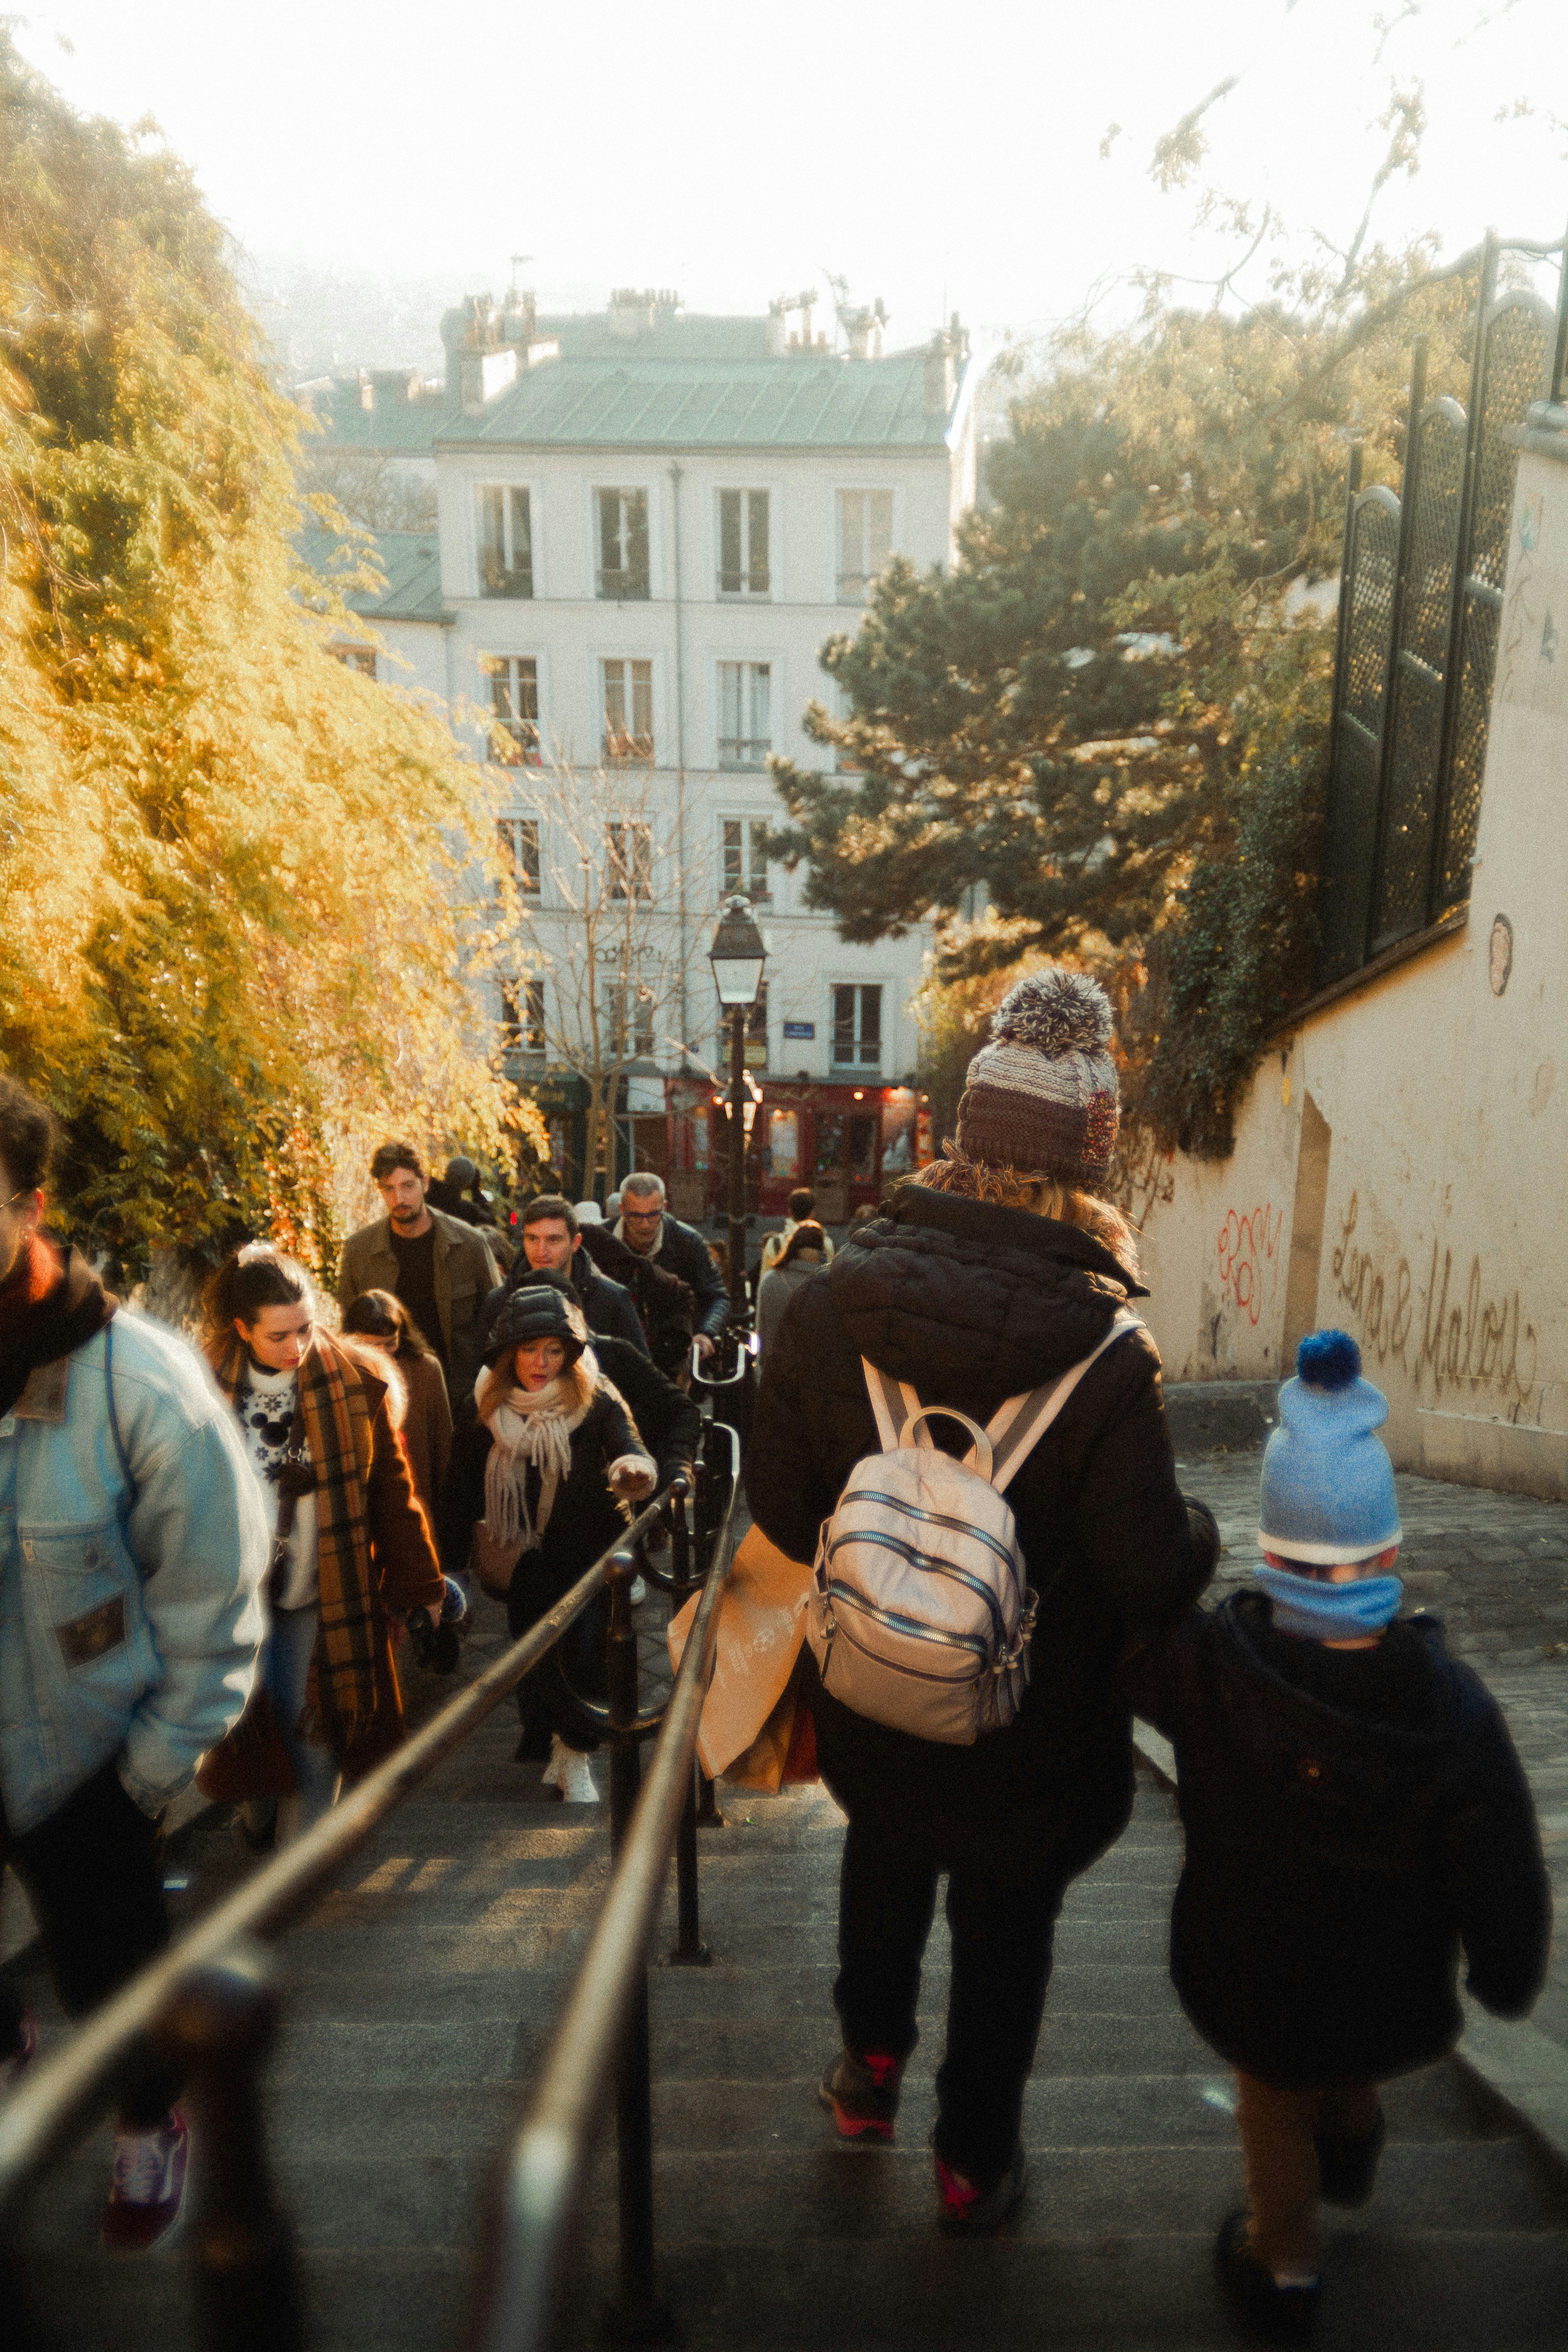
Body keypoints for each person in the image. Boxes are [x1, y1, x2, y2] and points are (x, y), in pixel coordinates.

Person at [746, 968, 1219, 2231]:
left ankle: (867, 2073)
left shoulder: (827, 1301)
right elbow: (1146, 1570)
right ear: (1090, 1158)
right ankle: (972, 2161)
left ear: (962, 1136)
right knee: (1008, 1932)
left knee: (885, 1858)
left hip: (876, 1693)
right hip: (1036, 1730)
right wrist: (1207, 1535)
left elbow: (787, 1513)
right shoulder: (1112, 1356)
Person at [1121, 1329, 1551, 2345]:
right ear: (1391, 1553)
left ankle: (1284, 2260)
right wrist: (1504, 1967)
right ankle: (1352, 2137)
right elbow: (1498, 1855)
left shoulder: (1209, 1669)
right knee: (1345, 2040)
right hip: (1388, 1975)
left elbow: (1127, 1653)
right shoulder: (1451, 1708)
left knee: (1273, 2096)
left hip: (1252, 1967)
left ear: (1268, 1554)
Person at [0, 1076, 268, 2251]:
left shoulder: (135, 1382)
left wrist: (144, 1781)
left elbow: (216, 1601)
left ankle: (149, 2116)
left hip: (83, 1761)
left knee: (115, 1973)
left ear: (31, 1207)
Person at [205, 1245, 457, 1846]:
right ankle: (259, 1811)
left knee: (314, 1737)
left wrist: (421, 1587)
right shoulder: (200, 1392)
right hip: (230, 1601)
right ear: (241, 1329)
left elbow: (394, 1498)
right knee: (245, 1733)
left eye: (306, 1328)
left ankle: (299, 1877)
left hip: (321, 1599)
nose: (297, 1347)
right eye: (279, 1336)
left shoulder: (357, 1385)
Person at [438, 1285, 655, 1804]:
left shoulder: (596, 1397)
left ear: (571, 1354)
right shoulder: (484, 1406)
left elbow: (631, 1448)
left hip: (593, 1550)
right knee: (535, 1654)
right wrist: (450, 1571)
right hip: (525, 1560)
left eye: (554, 1350)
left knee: (587, 1653)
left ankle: (575, 1754)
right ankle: (556, 1743)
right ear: (508, 1352)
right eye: (530, 1349)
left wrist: (632, 1470)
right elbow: (460, 1491)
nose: (541, 1363)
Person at [338, 1140, 498, 1401]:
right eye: (389, 1189)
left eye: (407, 1186)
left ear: (425, 1184)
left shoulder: (470, 1245)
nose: (399, 1198)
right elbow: (349, 1333)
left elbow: (498, 1319)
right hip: (385, 1393)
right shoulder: (359, 1251)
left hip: (459, 1393)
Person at [482, 1195, 649, 1357]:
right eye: (532, 1239)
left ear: (575, 1243)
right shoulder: (499, 1302)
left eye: (553, 1240)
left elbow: (640, 1377)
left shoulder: (612, 1300)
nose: (541, 1251)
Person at [341, 1289, 453, 1529]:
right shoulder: (342, 1373)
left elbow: (443, 1444)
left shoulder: (426, 1369)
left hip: (417, 1496)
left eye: (389, 1344)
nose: (382, 1354)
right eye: (371, 1345)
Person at [614, 1172, 729, 1368]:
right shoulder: (602, 1241)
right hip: (617, 1360)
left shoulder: (689, 1242)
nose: (645, 1225)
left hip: (673, 1359)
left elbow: (718, 1297)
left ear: (665, 1209)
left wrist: (706, 1333)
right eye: (636, 1216)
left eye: (653, 1215)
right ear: (622, 1210)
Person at [755, 1219, 829, 1358]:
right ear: (821, 1249)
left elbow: (762, 1331)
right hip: (818, 1368)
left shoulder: (770, 1280)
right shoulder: (832, 1281)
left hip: (779, 1366)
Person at [759, 1186, 835, 1278]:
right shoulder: (826, 1243)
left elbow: (764, 1281)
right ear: (812, 1213)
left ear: (790, 1211)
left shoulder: (775, 1243)